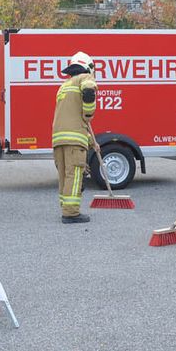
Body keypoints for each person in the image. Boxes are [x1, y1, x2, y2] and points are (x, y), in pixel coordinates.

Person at [52, 51, 98, 224]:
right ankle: (71, 213)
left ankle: (66, 206)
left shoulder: (64, 85)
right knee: (75, 174)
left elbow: (70, 118)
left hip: (59, 139)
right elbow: (89, 89)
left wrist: (91, 141)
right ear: (88, 66)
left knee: (65, 175)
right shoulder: (84, 78)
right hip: (73, 140)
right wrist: (88, 112)